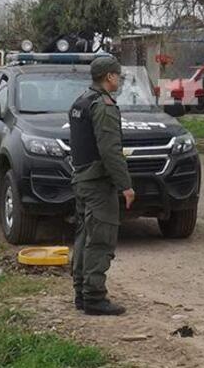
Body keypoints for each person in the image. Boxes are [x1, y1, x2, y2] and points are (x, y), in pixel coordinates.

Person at [69, 56, 136, 316]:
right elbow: (110, 150)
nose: (118, 79)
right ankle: (95, 296)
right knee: (100, 239)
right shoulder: (103, 105)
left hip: (82, 178)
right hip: (98, 183)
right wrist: (125, 185)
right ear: (109, 76)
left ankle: (82, 292)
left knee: (85, 236)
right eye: (117, 75)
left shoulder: (81, 101)